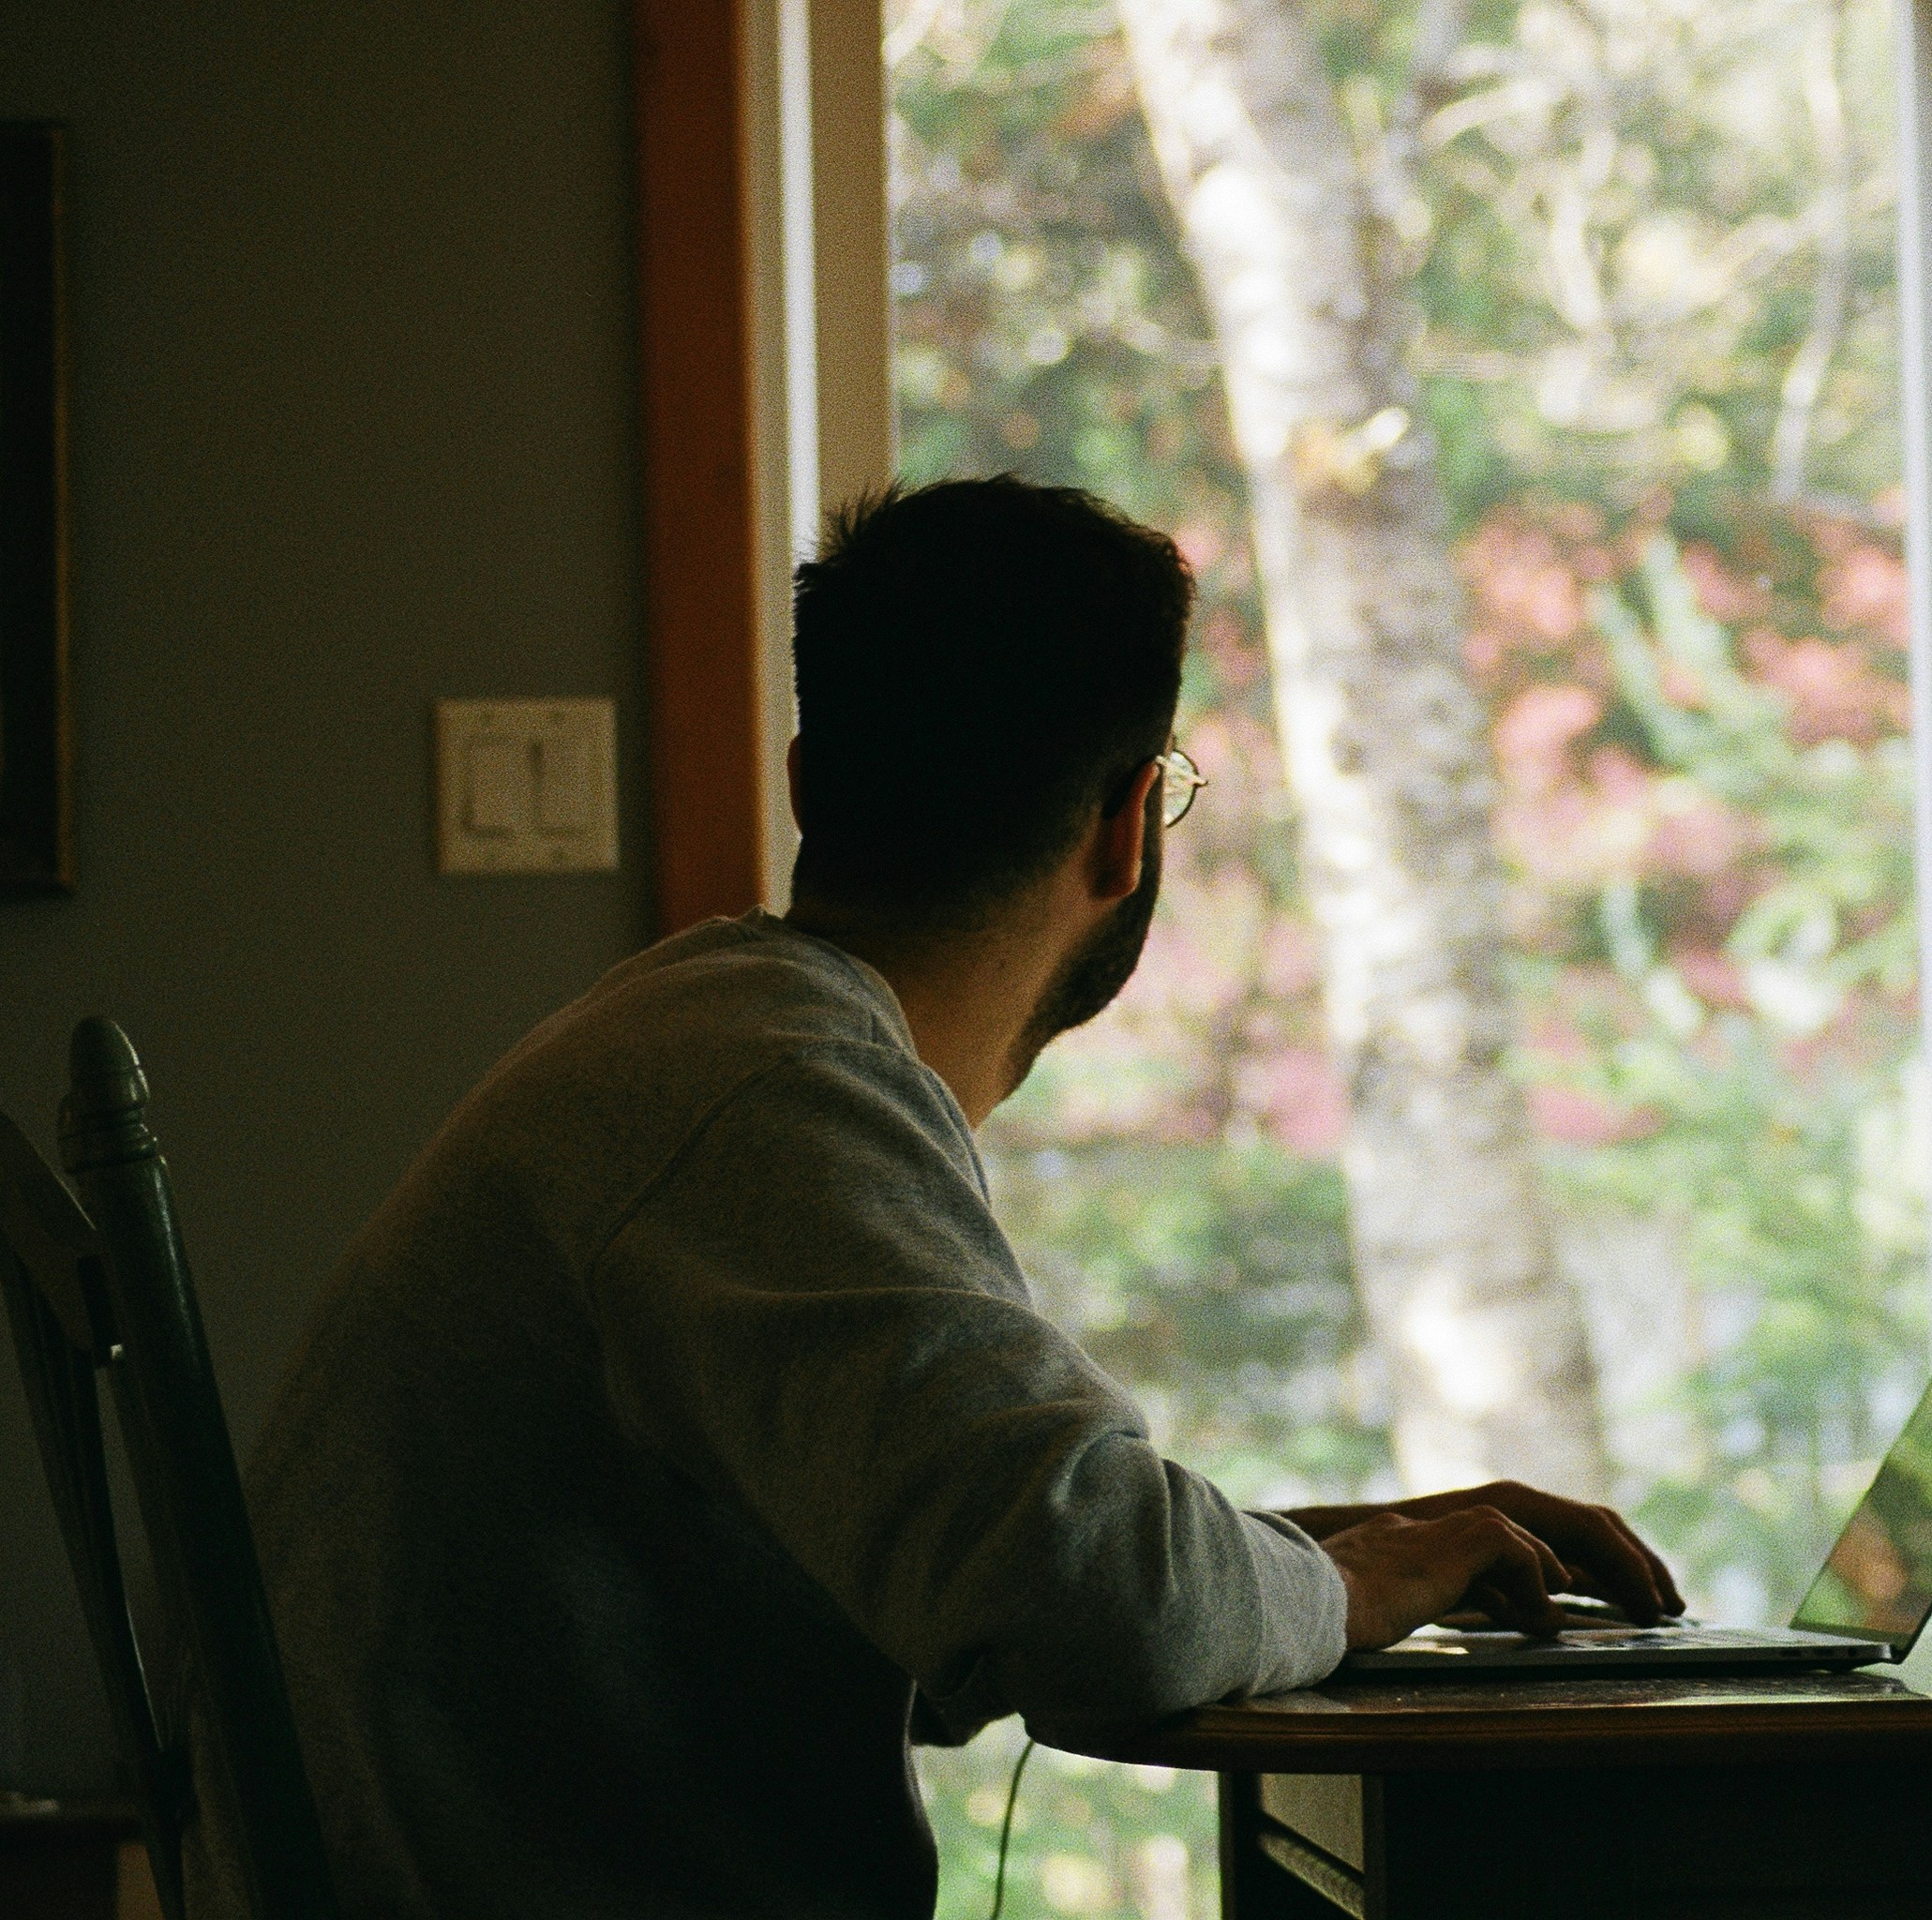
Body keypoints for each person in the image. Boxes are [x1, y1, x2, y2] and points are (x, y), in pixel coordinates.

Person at [195, 477, 1683, 1920]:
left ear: (803, 783)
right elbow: (1103, 1605)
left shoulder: (701, 1044)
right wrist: (1344, 1592)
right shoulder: (767, 1090)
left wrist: (1327, 1560)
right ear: (1128, 830)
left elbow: (1013, 1554)